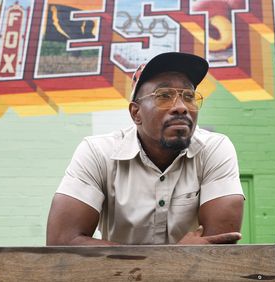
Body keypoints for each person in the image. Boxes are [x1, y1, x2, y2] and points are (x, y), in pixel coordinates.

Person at [46, 52, 244, 245]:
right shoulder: (98, 153)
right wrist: (176, 257)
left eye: (189, 96)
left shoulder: (214, 149)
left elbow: (221, 246)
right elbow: (62, 241)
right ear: (136, 113)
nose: (181, 107)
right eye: (164, 95)